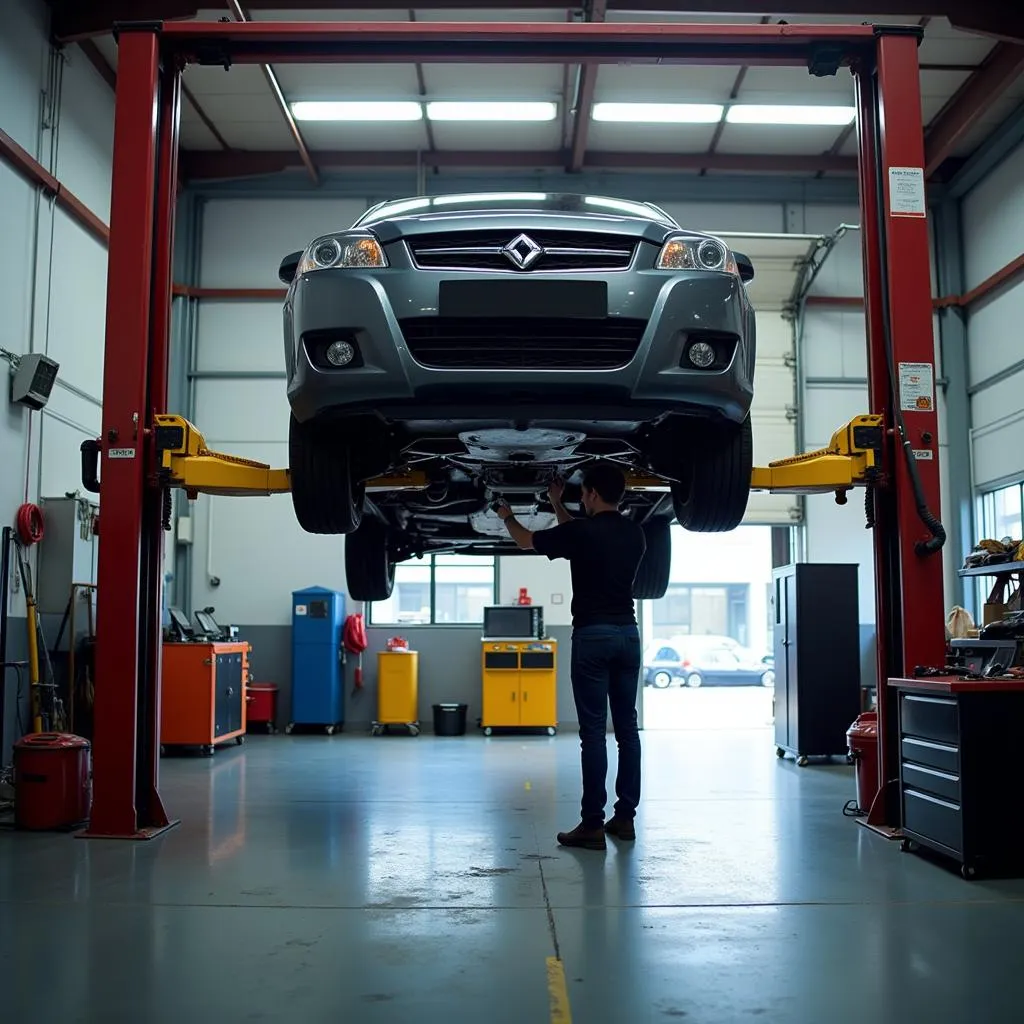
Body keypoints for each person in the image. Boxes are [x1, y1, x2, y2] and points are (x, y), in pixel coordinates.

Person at [494, 463, 646, 851]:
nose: (581, 498)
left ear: (593, 493)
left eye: (583, 493)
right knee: (627, 730)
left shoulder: (582, 532)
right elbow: (576, 532)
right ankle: (625, 818)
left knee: (593, 733)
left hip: (592, 637)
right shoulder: (635, 533)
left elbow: (527, 540)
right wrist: (556, 501)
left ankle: (592, 824)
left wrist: (506, 515)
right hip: (628, 636)